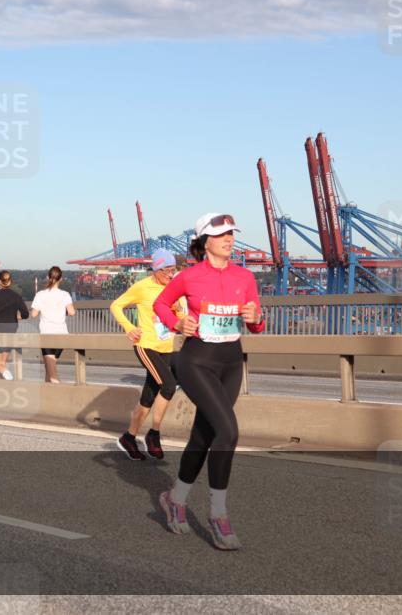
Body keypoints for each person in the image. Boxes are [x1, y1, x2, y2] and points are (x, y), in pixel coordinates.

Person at [153, 213, 265, 551]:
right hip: (196, 361)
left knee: (204, 435)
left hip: (231, 362)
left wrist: (256, 318)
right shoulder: (188, 277)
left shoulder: (245, 277)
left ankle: (175, 499)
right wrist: (176, 323)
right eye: (221, 235)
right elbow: (161, 303)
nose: (229, 239)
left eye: (232, 233)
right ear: (205, 242)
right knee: (228, 432)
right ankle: (218, 515)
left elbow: (257, 322)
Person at [110, 249, 186, 460]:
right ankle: (153, 435)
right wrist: (128, 327)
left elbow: (177, 316)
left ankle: (128, 437)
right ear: (156, 269)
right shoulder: (142, 287)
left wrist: (181, 315)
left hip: (166, 347)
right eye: (168, 271)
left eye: (174, 270)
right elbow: (116, 305)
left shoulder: (173, 288)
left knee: (148, 397)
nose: (171, 275)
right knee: (169, 385)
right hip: (146, 346)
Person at [30, 266, 76, 384]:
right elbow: (72, 312)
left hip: (47, 335)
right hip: (62, 335)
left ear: (47, 277)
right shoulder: (65, 294)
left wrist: (44, 309)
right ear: (61, 279)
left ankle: (61, 397)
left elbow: (34, 314)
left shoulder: (40, 294)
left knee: (52, 373)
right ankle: (47, 396)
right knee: (49, 370)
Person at [0, 271, 29, 380]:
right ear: (10, 282)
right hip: (11, 330)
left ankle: (8, 377)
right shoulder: (17, 296)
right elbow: (25, 313)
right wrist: (18, 316)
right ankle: (2, 388)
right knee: (2, 363)